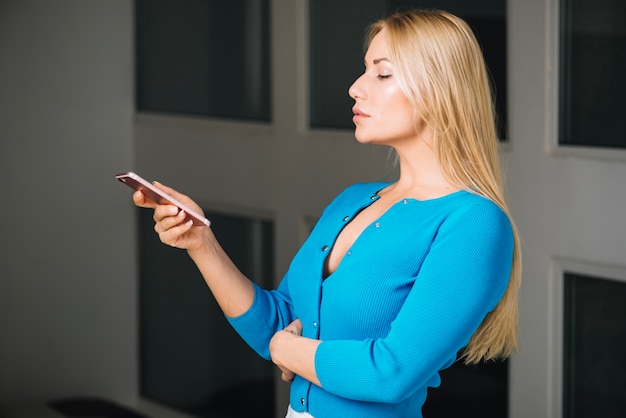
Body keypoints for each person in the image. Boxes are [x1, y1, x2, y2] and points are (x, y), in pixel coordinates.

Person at [133, 8, 522, 418]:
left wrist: (288, 350)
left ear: (439, 88)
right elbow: (277, 322)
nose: (356, 88)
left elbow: (389, 375)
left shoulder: (473, 223)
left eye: (382, 73)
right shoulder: (354, 200)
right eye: (364, 70)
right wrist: (201, 243)